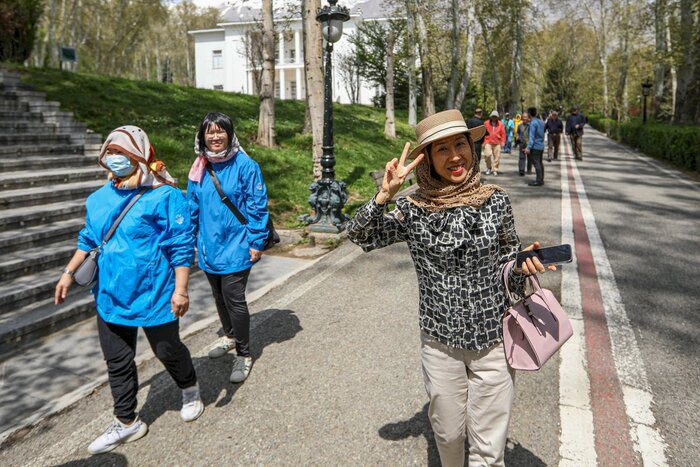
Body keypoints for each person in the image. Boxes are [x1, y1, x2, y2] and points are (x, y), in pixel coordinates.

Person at [346, 109, 555, 467]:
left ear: (473, 149)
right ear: (428, 158)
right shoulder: (413, 209)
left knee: (489, 447)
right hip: (440, 342)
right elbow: (361, 235)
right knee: (448, 433)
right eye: (441, 149)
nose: (455, 156)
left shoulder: (496, 200)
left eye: (461, 144)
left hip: (494, 340)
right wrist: (383, 195)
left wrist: (523, 265)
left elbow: (508, 267)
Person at [55, 126, 203, 455]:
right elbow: (89, 240)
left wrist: (181, 290)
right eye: (110, 153)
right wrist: (68, 273)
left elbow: (181, 247)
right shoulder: (98, 199)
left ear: (139, 155)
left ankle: (189, 386)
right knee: (117, 361)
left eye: (121, 153)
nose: (114, 159)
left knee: (167, 351)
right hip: (110, 295)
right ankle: (126, 422)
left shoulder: (165, 196)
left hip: (155, 295)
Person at [187, 112, 270, 384]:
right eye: (209, 132)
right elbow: (192, 208)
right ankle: (230, 335)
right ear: (202, 137)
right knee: (218, 296)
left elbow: (257, 206)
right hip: (209, 247)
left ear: (229, 134)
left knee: (234, 298)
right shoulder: (199, 167)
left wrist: (256, 241)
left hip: (237, 245)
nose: (215, 137)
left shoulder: (246, 165)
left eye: (220, 131)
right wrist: (191, 243)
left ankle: (244, 354)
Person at [524, 107, 545, 186]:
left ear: (529, 114)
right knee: (540, 162)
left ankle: (538, 180)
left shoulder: (533, 123)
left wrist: (528, 147)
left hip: (535, 146)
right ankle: (541, 179)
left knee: (536, 163)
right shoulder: (541, 122)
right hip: (541, 145)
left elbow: (531, 137)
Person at [482, 110, 506, 176]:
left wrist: (503, 142)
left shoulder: (501, 124)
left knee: (497, 157)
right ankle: (489, 168)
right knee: (487, 155)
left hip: (497, 142)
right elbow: (483, 133)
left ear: (497, 117)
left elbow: (503, 134)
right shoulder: (486, 123)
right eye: (493, 116)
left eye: (495, 116)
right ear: (491, 117)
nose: (494, 118)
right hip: (488, 141)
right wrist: (483, 142)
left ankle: (495, 169)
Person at [515, 112, 531, 176]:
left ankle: (529, 169)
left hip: (529, 144)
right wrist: (517, 136)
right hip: (522, 143)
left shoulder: (530, 126)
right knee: (522, 157)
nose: (524, 118)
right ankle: (521, 170)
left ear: (528, 118)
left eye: (525, 117)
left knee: (529, 157)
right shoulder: (519, 126)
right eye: (523, 117)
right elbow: (518, 133)